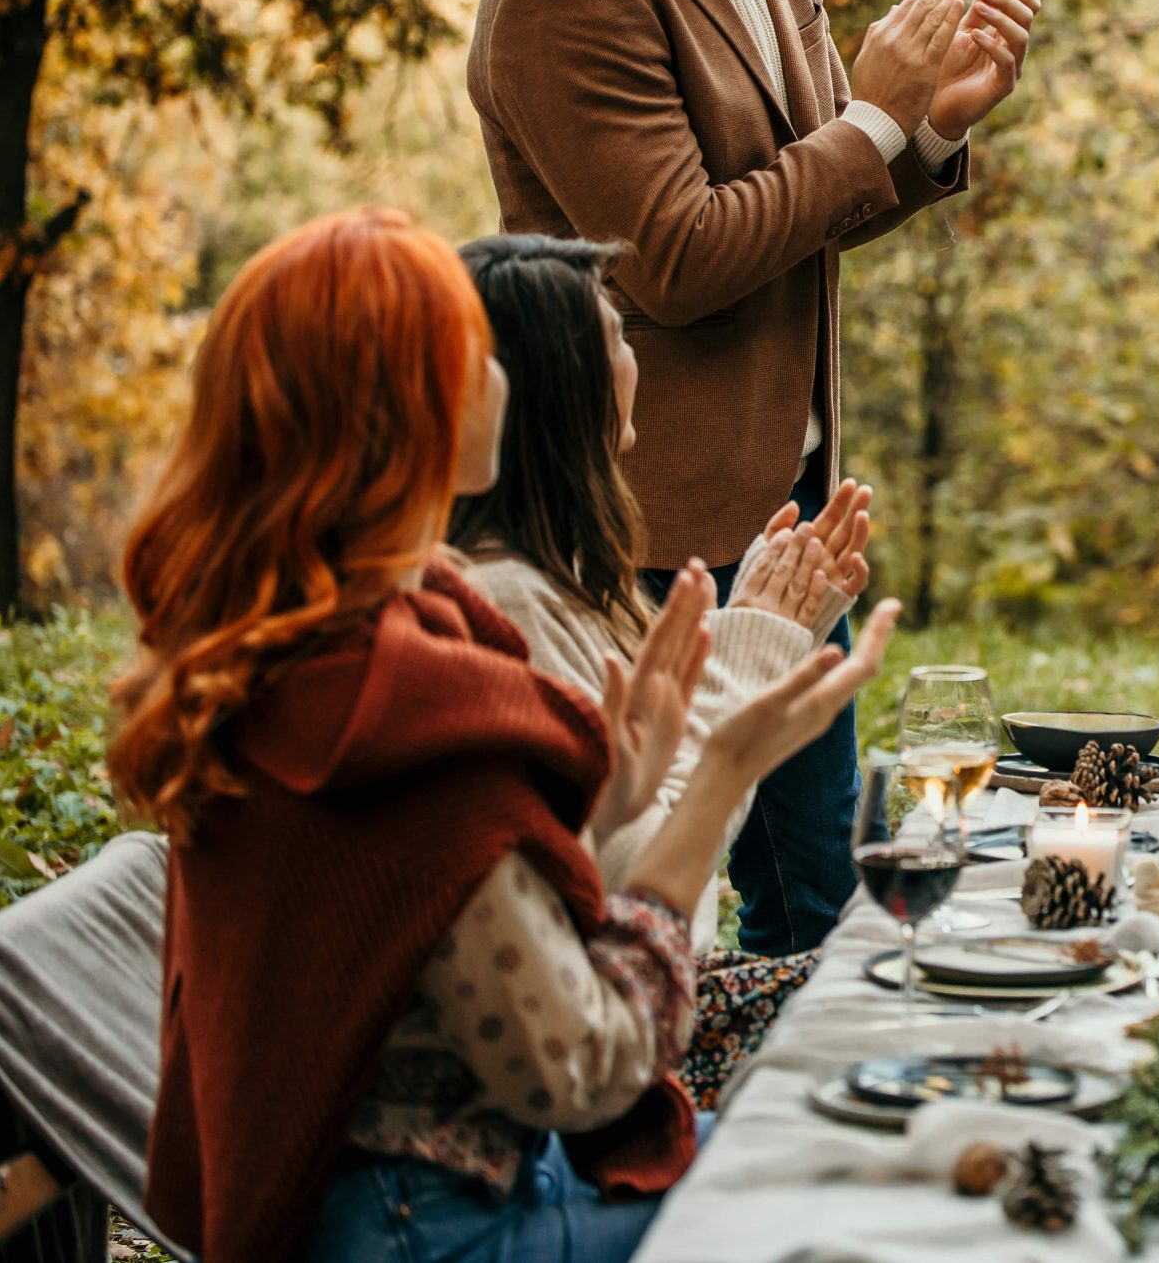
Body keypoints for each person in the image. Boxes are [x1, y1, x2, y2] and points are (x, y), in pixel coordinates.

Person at [106, 209, 900, 1263]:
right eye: (469, 353)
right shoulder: (395, 703)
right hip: (427, 1230)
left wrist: (617, 792)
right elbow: (587, 1069)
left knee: (831, 1147)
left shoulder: (335, 639)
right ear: (407, 404)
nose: (499, 379)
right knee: (863, 1202)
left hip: (383, 1209)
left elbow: (448, 889)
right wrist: (720, 774)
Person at [468, 0, 1039, 956]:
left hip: (782, 514)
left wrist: (928, 127)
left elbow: (804, 205)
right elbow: (673, 258)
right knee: (678, 896)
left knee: (819, 897)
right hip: (649, 526)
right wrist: (871, 121)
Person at [450, 232, 873, 1107]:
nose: (636, 356)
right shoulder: (509, 607)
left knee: (886, 991)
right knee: (878, 1021)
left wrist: (762, 628)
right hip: (603, 1057)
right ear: (563, 386)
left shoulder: (562, 583)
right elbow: (635, 890)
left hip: (617, 1017)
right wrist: (752, 654)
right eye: (616, 334)